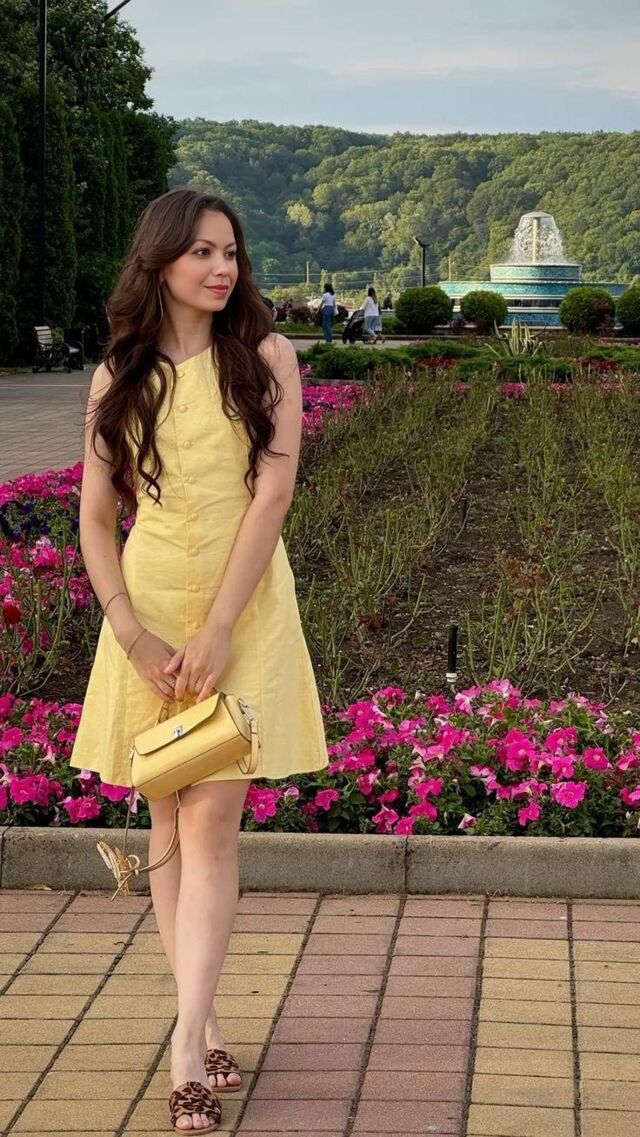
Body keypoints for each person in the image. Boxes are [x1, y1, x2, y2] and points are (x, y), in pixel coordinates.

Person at [68, 187, 329, 1133]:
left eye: (231, 252)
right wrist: (132, 632)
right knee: (168, 818)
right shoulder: (118, 374)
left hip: (242, 606)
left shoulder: (266, 356)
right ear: (162, 261)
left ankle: (184, 1050)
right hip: (147, 611)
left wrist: (219, 628)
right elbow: (96, 518)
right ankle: (203, 1018)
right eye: (203, 253)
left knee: (213, 815)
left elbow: (272, 497)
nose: (223, 268)